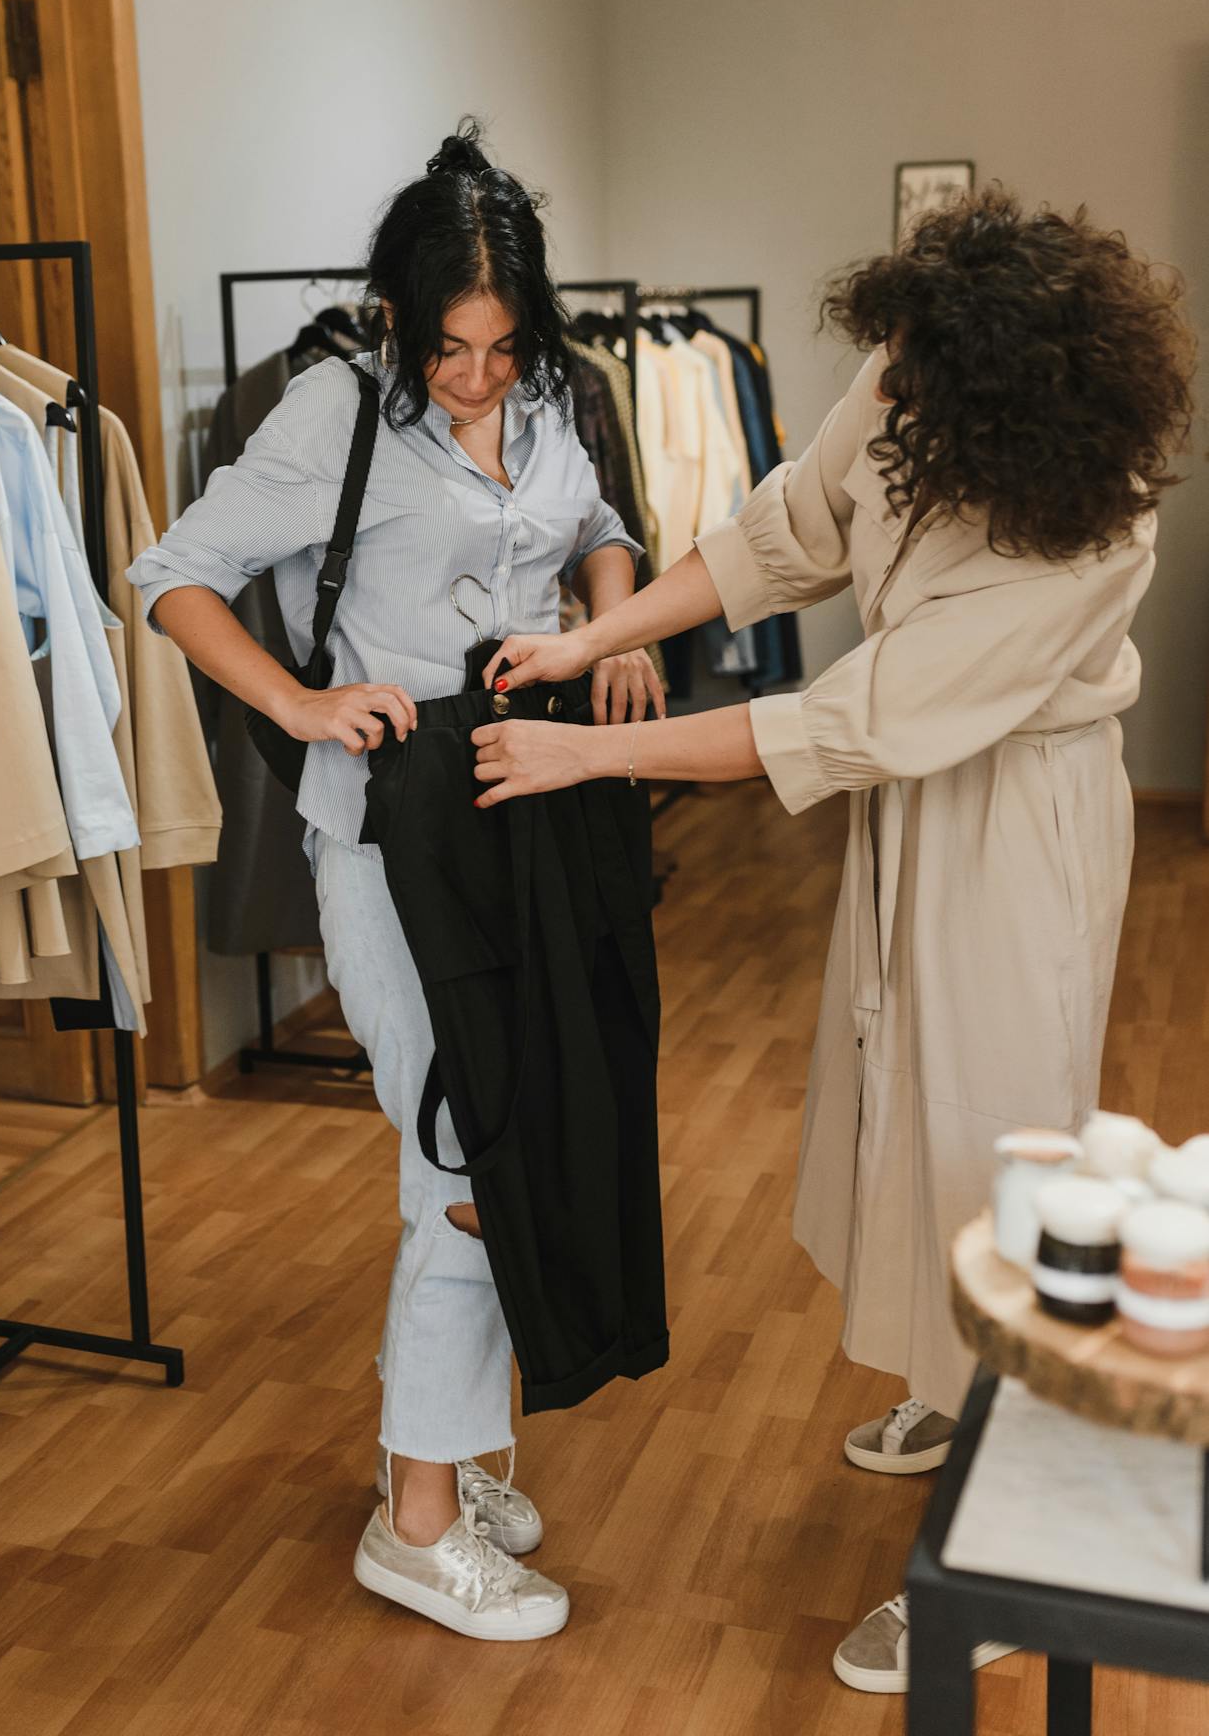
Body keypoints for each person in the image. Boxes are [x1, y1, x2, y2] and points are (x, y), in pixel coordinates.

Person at [470, 187, 1196, 1690]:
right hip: (912, 804)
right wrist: (598, 639)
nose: (895, 387)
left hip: (1017, 815)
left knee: (993, 1142)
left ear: (1011, 398)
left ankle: (1013, 1546)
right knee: (907, 1108)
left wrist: (595, 755)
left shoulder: (1092, 523)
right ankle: (960, 1384)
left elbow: (860, 716)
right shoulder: (907, 372)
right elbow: (781, 534)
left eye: (922, 376)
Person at [127, 121, 663, 1643]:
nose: (476, 377)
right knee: (464, 1160)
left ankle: (436, 1452)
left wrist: (608, 629)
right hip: (386, 835)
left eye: (501, 346)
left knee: (527, 1126)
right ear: (394, 314)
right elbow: (167, 572)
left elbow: (604, 529)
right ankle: (415, 1526)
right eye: (449, 346)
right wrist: (298, 711)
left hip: (537, 804)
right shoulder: (332, 411)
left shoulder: (560, 395)